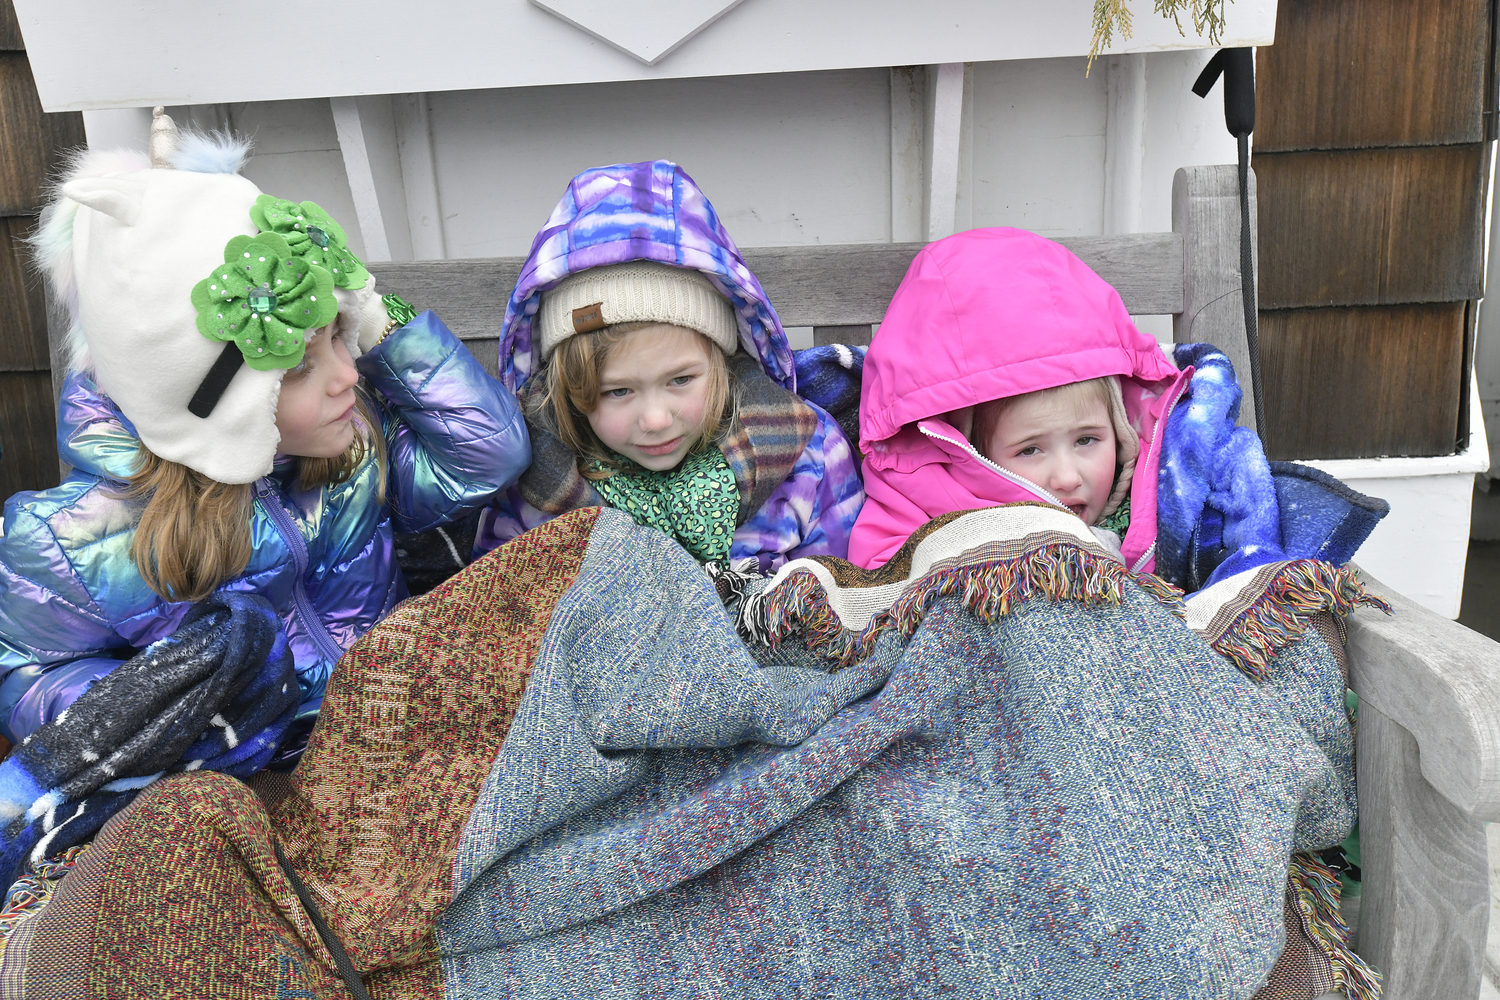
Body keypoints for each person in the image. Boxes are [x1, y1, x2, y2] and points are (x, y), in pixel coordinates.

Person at [0, 112, 530, 755]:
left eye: (344, 335)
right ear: (209, 402)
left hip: (396, 731)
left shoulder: (349, 449)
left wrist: (373, 317)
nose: (348, 374)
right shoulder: (71, 539)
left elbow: (488, 452)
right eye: (302, 363)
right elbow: (26, 678)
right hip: (251, 777)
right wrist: (177, 714)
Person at [475, 160, 864, 574]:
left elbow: (839, 601)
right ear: (571, 390)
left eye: (681, 380)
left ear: (722, 363)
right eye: (617, 391)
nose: (656, 420)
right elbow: (506, 613)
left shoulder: (804, 453)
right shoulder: (535, 482)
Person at [847, 227, 1187, 571]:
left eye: (1086, 440)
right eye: (1030, 449)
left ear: (1119, 430)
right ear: (972, 451)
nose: (1067, 478)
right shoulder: (920, 496)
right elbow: (882, 583)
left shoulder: (1167, 482)